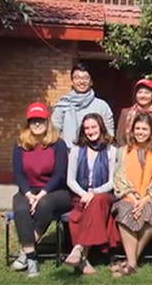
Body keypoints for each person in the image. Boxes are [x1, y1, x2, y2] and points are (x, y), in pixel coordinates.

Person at [11, 102, 71, 278]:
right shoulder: (20, 144)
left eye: (41, 120)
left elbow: (59, 174)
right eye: (33, 121)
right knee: (21, 209)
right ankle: (31, 259)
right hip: (28, 190)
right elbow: (19, 174)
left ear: (47, 122)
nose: (37, 124)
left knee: (44, 204)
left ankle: (25, 250)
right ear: (28, 123)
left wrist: (42, 194)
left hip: (55, 191)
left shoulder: (58, 144)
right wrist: (29, 194)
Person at [110, 113, 152, 277]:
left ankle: (130, 262)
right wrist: (133, 198)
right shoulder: (123, 151)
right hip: (128, 195)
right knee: (125, 212)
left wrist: (144, 200)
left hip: (151, 196)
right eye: (137, 129)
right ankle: (132, 263)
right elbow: (118, 176)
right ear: (132, 130)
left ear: (151, 131)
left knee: (150, 212)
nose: (140, 132)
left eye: (144, 129)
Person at [64, 113, 119, 274]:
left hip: (104, 195)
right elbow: (70, 180)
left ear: (101, 127)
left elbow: (111, 182)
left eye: (93, 127)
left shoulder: (111, 150)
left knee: (97, 202)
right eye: (86, 128)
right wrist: (84, 194)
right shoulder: (76, 150)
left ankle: (79, 247)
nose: (90, 131)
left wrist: (93, 193)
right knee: (85, 210)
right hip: (80, 195)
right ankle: (83, 259)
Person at [52, 63, 114, 148]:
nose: (81, 82)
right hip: (68, 155)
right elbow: (54, 133)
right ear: (71, 81)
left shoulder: (102, 106)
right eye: (77, 78)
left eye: (85, 78)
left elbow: (109, 134)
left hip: (96, 155)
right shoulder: (62, 106)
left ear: (91, 82)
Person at [116, 79, 152, 147]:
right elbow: (120, 138)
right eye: (140, 92)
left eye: (147, 93)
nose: (143, 95)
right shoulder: (126, 113)